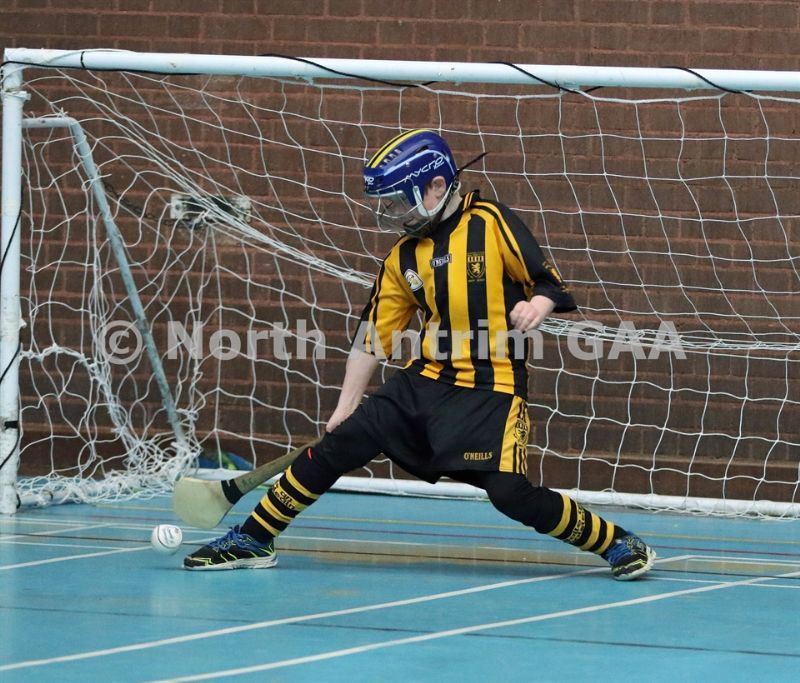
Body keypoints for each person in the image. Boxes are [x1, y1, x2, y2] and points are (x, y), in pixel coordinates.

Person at [184, 129, 656, 580]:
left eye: (398, 201)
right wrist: (346, 405)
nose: (392, 214)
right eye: (385, 205)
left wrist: (537, 305)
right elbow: (373, 337)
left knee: (510, 493)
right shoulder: (402, 257)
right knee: (336, 447)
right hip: (424, 380)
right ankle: (253, 539)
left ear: (435, 186)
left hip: (491, 388)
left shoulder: (488, 222)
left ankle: (616, 542)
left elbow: (548, 281)